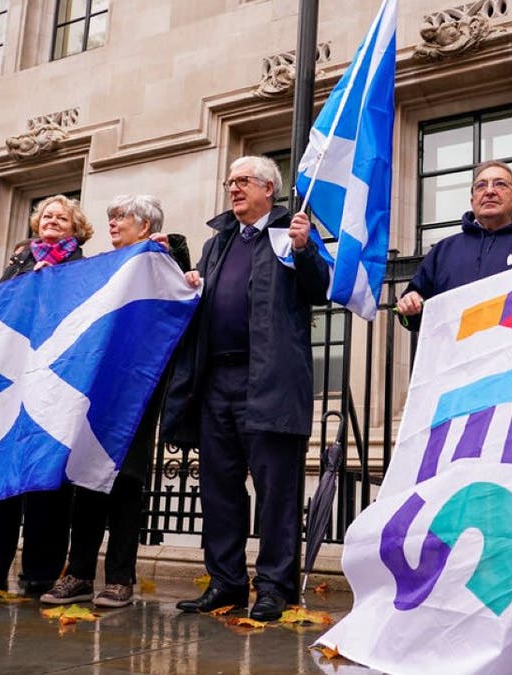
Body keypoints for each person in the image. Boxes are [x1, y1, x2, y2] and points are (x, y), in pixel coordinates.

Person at [162, 155, 330, 621]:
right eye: (229, 181)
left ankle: (275, 587)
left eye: (244, 182)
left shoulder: (292, 233)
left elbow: (320, 289)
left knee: (277, 490)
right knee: (219, 488)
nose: (233, 189)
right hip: (217, 380)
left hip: (270, 381)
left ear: (268, 190)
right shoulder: (217, 244)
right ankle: (226, 582)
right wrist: (188, 277)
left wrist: (305, 250)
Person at [39, 194, 185, 608]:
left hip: (137, 389)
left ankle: (120, 577)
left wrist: (170, 249)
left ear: (146, 225)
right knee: (86, 479)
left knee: (126, 482)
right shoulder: (102, 266)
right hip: (94, 390)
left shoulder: (160, 260)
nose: (113, 223)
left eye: (121, 217)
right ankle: (80, 574)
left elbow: (181, 290)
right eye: (111, 216)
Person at [0, 194, 94, 595]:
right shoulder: (18, 261)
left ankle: (40, 571)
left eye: (62, 218)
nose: (52, 221)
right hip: (9, 384)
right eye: (46, 216)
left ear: (76, 228)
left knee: (45, 478)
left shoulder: (82, 267)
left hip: (52, 384)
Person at [396, 160, 512, 330]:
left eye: (500, 184)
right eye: (481, 186)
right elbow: (412, 318)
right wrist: (409, 305)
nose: (489, 191)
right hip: (456, 355)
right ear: (473, 201)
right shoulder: (443, 251)